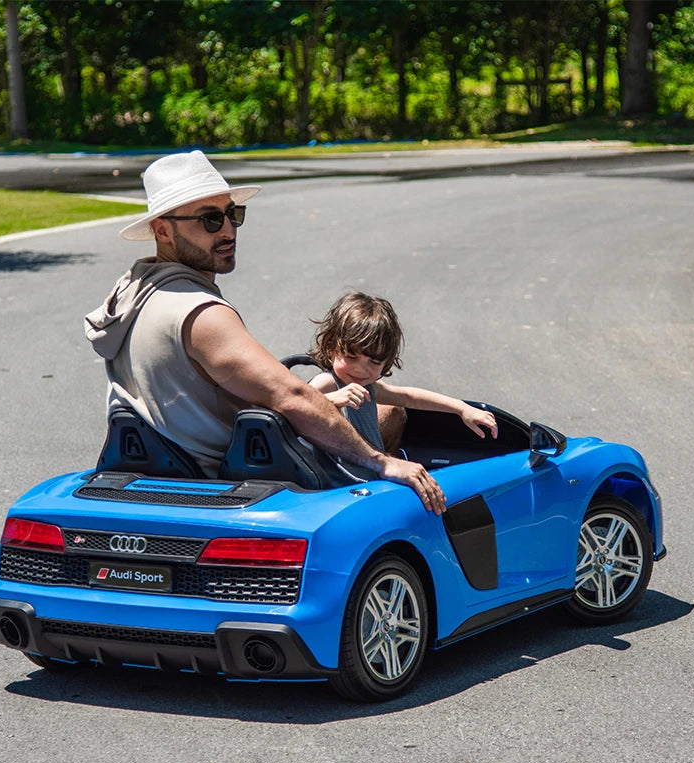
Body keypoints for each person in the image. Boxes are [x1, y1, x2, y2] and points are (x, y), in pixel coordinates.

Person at [84, 150, 446, 513]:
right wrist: (381, 462)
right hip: (234, 479)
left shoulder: (133, 296)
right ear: (162, 229)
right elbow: (290, 395)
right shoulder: (200, 313)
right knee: (391, 418)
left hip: (161, 468)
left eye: (232, 214)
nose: (228, 230)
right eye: (210, 219)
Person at [308, 291, 498, 480]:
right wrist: (330, 400)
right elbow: (293, 409)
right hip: (341, 485)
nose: (361, 369)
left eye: (374, 362)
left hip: (370, 476)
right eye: (351, 357)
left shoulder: (368, 386)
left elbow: (408, 397)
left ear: (386, 363)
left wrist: (461, 409)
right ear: (331, 348)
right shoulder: (328, 382)